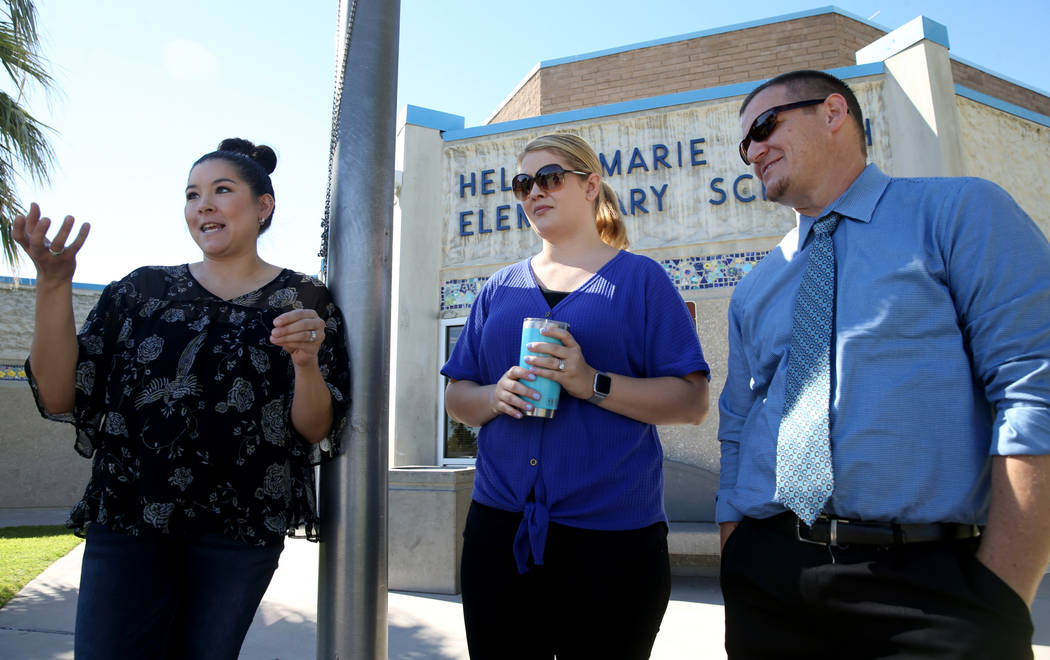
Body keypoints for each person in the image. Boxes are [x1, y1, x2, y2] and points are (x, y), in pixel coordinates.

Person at [717, 69, 1050, 659]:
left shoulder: (959, 213)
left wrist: (1001, 590)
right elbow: (738, 425)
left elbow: (1033, 386)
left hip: (933, 588)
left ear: (833, 112)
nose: (754, 151)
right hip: (769, 581)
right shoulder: (755, 288)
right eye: (745, 144)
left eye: (765, 126)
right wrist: (737, 545)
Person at [13, 138, 351, 659]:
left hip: (239, 531)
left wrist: (306, 362)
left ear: (264, 206)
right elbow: (58, 395)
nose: (203, 205)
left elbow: (312, 429)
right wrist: (53, 284)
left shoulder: (304, 300)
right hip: (130, 521)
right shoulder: (139, 292)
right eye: (192, 195)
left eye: (221, 190)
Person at [442, 133, 710, 660]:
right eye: (523, 184)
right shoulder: (499, 288)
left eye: (549, 178)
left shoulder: (642, 281)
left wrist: (592, 383)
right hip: (500, 532)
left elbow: (691, 402)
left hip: (613, 542)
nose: (533, 192)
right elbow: (457, 397)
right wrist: (495, 395)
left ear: (591, 186)